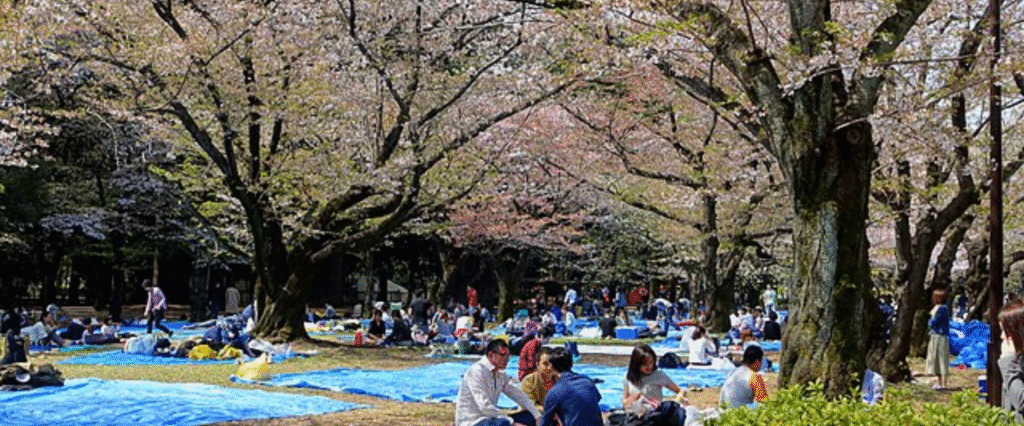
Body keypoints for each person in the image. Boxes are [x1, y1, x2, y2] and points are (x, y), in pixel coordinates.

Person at [454, 339, 541, 426]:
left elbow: (518, 394)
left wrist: (537, 416)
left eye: (508, 356)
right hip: (473, 421)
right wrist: (512, 423)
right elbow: (484, 406)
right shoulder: (477, 372)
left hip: (491, 419)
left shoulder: (500, 374)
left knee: (530, 416)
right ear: (491, 355)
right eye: (503, 355)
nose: (507, 360)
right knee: (503, 423)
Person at [541, 347, 602, 426]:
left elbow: (545, 422)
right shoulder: (588, 381)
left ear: (551, 367)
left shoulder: (554, 392)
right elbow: (597, 399)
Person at [623, 344, 685, 417]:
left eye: (651, 363)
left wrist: (677, 401)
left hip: (654, 417)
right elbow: (625, 403)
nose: (649, 366)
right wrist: (635, 397)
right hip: (635, 416)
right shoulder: (628, 378)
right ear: (636, 364)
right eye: (645, 364)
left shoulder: (659, 375)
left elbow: (680, 390)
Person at [999, 299, 1024, 421]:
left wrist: (1008, 362)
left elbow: (1021, 401)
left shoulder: (1011, 362)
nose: (1002, 337)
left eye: (1005, 332)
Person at [925, 289, 950, 390]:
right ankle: (938, 382)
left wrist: (929, 321)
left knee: (941, 359)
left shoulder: (942, 309)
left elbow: (934, 321)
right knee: (935, 360)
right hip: (935, 335)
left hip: (940, 336)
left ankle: (944, 384)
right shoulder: (937, 308)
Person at [522, 347, 558, 412]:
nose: (549, 367)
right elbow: (530, 406)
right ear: (538, 364)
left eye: (552, 364)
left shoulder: (559, 380)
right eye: (545, 364)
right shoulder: (529, 381)